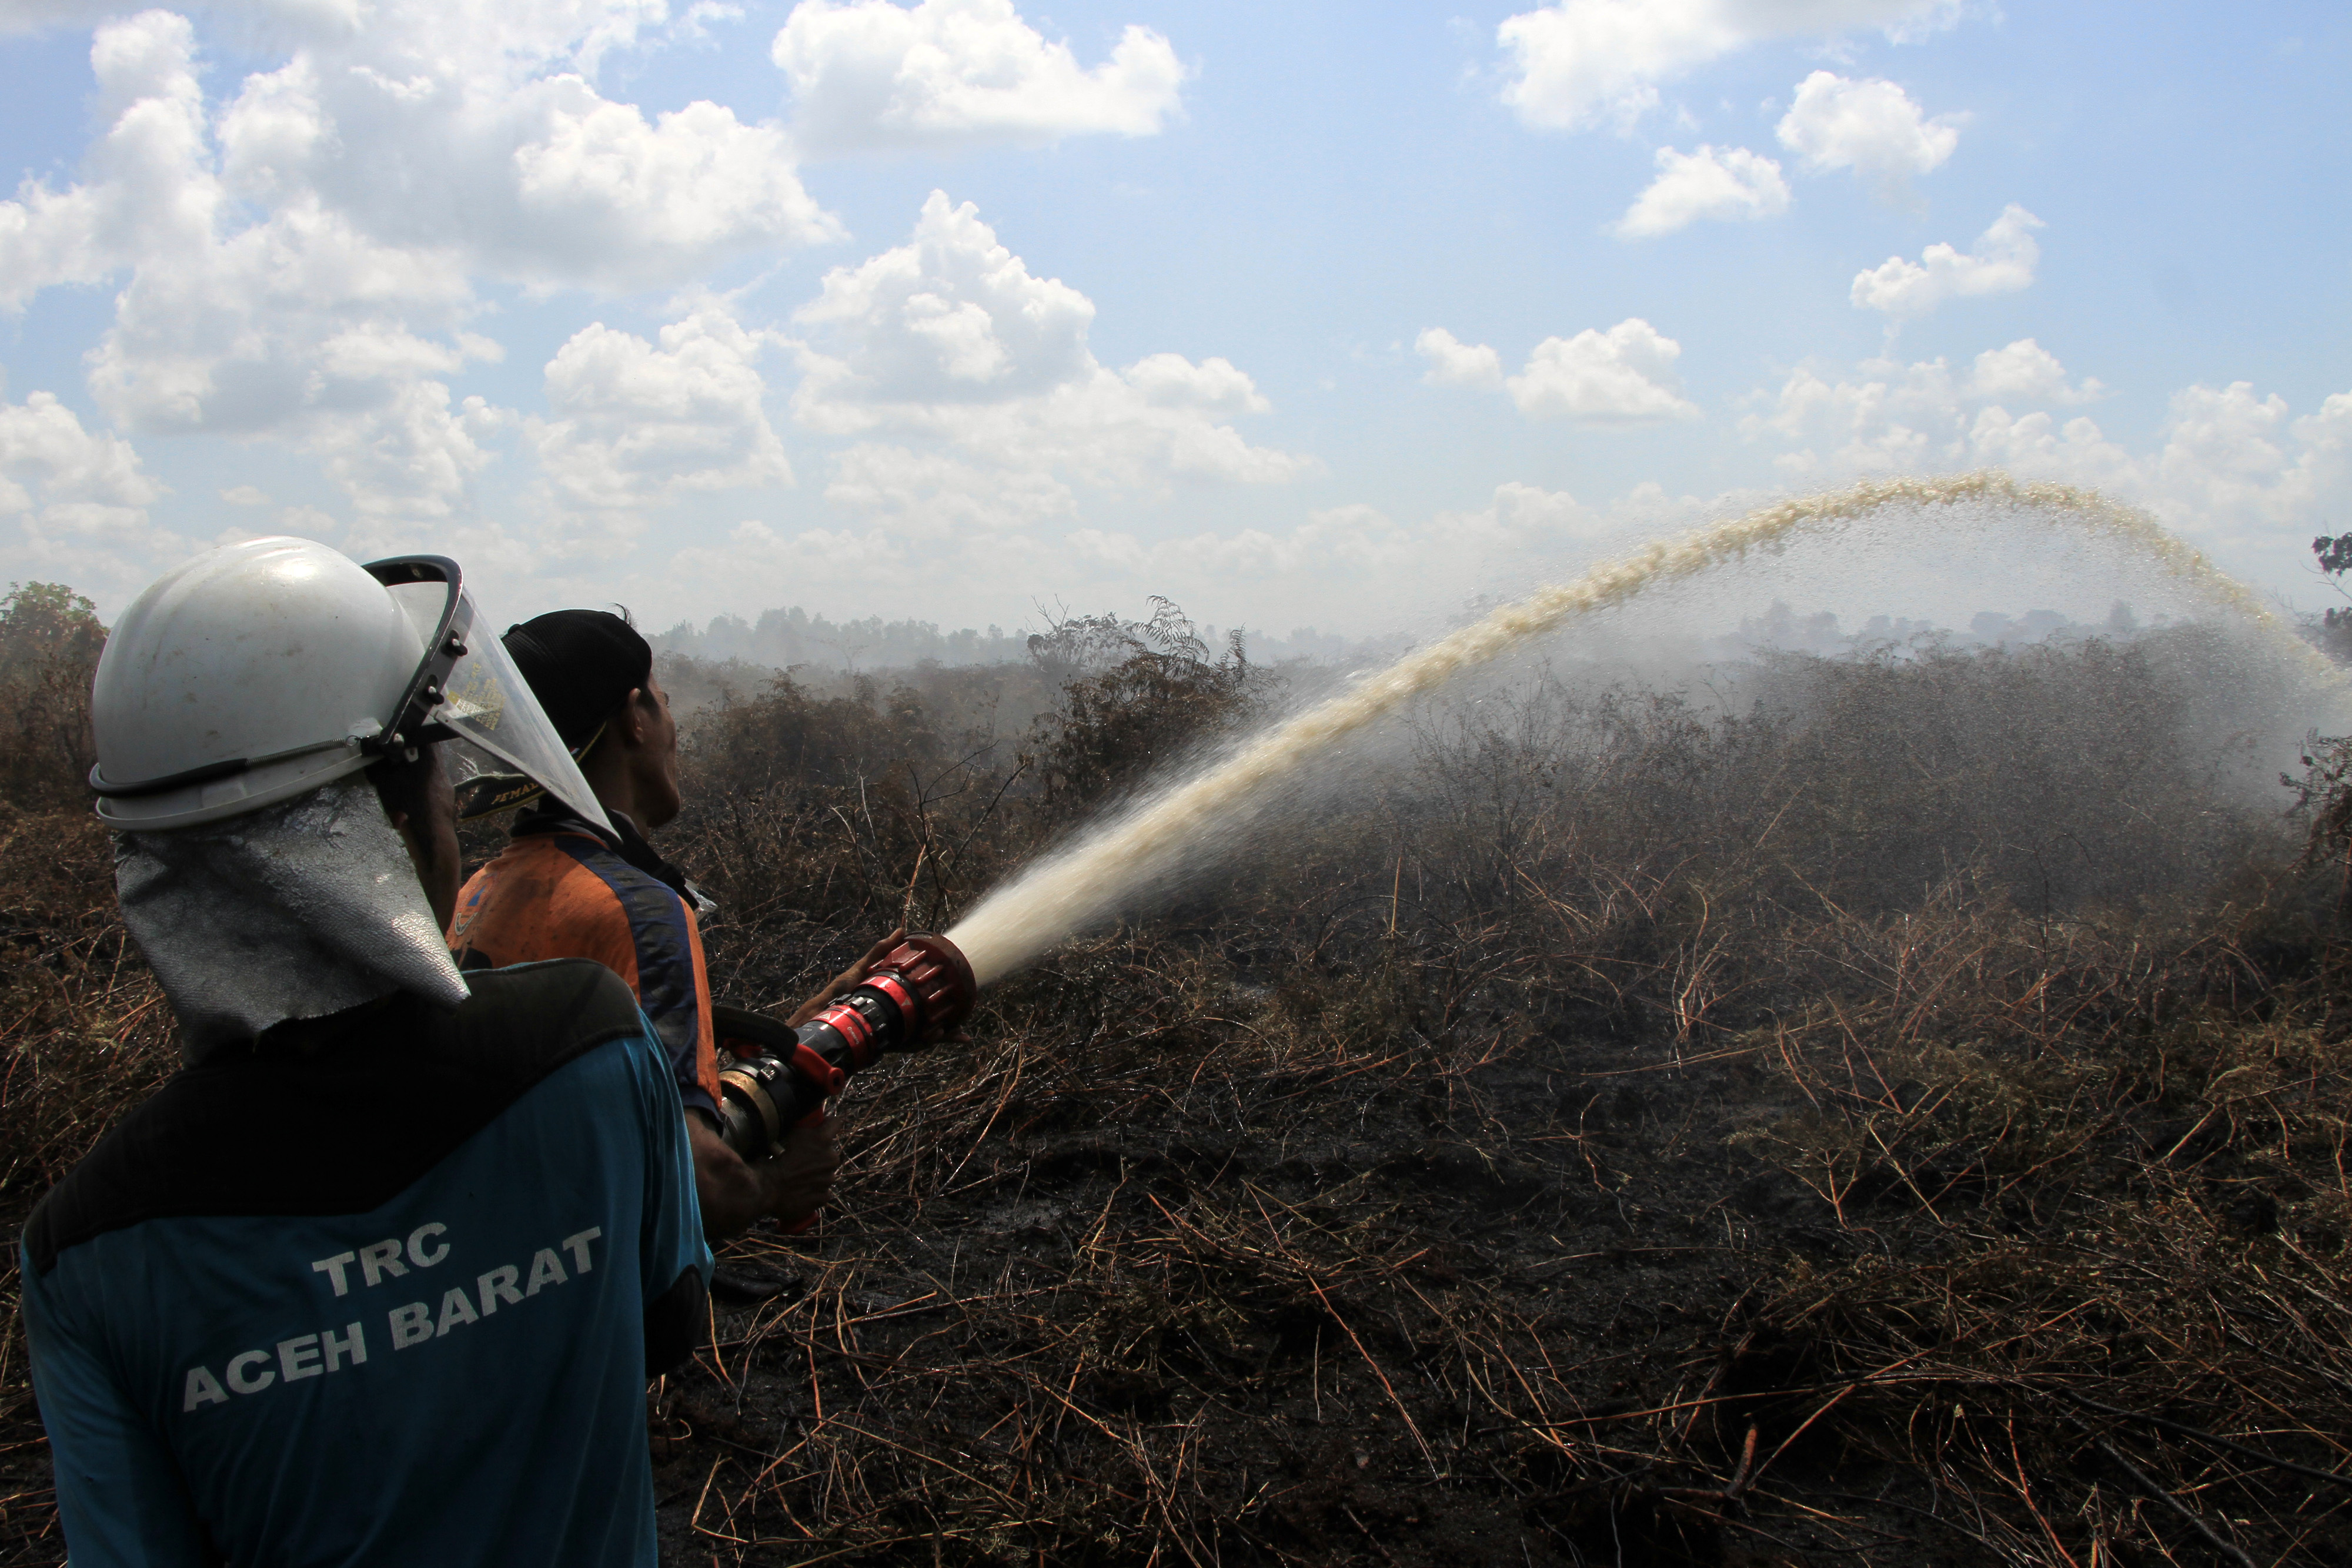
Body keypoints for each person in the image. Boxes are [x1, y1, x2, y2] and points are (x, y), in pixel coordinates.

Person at [21, 537, 709, 1565]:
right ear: (391, 814)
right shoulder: (587, 1046)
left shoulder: (86, 1247)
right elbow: (662, 1327)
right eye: (436, 772)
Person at [445, 609, 888, 1242]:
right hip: (597, 1301)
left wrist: (818, 1022)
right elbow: (692, 1176)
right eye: (660, 699)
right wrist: (775, 1188)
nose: (671, 723)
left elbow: (599, 1100)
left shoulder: (478, 890)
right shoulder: (640, 909)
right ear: (634, 717)